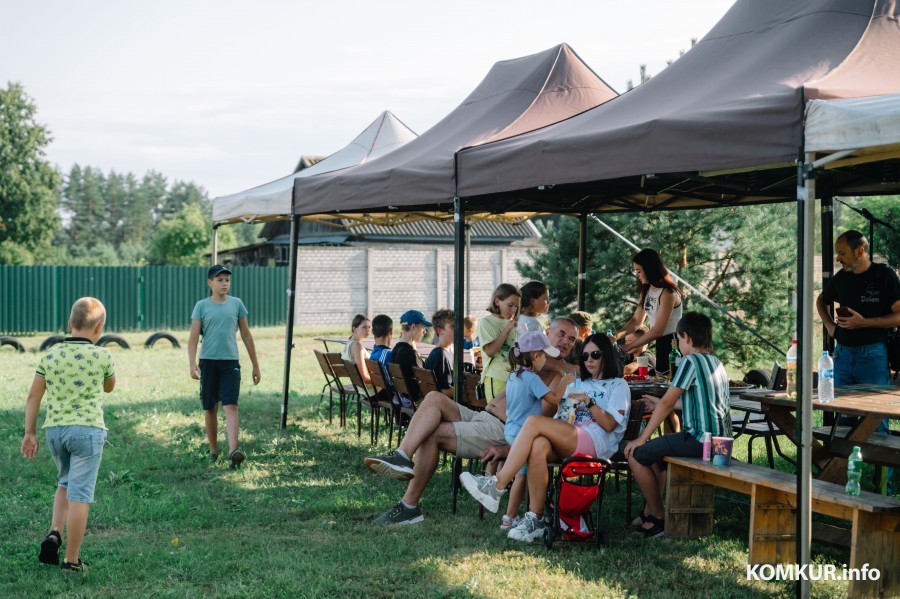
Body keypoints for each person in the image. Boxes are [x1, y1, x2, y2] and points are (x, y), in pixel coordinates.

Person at [364, 316, 578, 525]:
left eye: (571, 339)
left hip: (500, 429)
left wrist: (507, 448)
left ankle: (408, 507)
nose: (566, 341)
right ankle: (402, 456)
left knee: (433, 433)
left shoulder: (559, 375)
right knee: (434, 398)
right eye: (561, 334)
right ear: (547, 332)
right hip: (483, 417)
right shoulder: (530, 359)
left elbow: (540, 422)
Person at [459, 333, 630, 542]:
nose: (589, 360)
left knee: (533, 421)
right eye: (585, 356)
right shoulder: (579, 382)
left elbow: (611, 424)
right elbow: (562, 415)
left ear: (607, 356)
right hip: (570, 435)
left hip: (595, 442)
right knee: (538, 444)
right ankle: (536, 519)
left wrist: (590, 402)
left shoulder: (618, 385)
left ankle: (496, 486)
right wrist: (567, 410)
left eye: (595, 354)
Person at [21, 297, 116, 572]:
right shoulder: (103, 355)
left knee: (64, 482)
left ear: (69, 324)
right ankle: (72, 561)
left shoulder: (50, 355)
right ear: (99, 328)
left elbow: (33, 396)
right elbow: (110, 386)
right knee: (80, 495)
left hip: (55, 431)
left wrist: (30, 433)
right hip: (87, 431)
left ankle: (54, 532)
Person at [623, 311, 730, 538]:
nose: (679, 345)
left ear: (687, 338)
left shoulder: (690, 361)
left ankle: (660, 517)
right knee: (654, 456)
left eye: (679, 340)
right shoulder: (716, 362)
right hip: (722, 443)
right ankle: (649, 512)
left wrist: (641, 437)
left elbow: (668, 404)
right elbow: (697, 402)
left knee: (636, 453)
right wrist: (661, 403)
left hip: (700, 440)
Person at [816, 230, 900, 435]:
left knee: (875, 419)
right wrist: (829, 326)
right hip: (842, 354)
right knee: (844, 419)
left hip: (873, 354)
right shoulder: (841, 278)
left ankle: (881, 466)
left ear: (860, 251)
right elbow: (821, 300)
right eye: (837, 253)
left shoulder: (884, 275)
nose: (837, 258)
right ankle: (844, 467)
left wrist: (863, 323)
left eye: (842, 253)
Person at [188, 264, 261, 468]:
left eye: (227, 280)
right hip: (208, 363)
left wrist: (255, 365)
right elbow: (193, 338)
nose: (224, 283)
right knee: (210, 407)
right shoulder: (201, 306)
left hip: (230, 363)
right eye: (219, 280)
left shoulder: (237, 304)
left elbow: (246, 335)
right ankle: (213, 450)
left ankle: (233, 451)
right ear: (210, 282)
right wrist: (192, 363)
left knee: (231, 405)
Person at [500, 331, 573, 531]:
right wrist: (564, 381)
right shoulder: (532, 379)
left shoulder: (515, 375)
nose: (546, 361)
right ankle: (509, 517)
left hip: (511, 429)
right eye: (544, 356)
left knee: (520, 474)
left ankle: (511, 516)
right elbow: (554, 399)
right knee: (521, 476)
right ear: (535, 356)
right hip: (522, 433)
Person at [617, 249, 683, 376]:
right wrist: (615, 337)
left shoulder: (668, 293)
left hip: (674, 343)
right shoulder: (646, 290)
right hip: (661, 343)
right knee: (662, 379)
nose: (637, 275)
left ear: (650, 269)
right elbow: (636, 321)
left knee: (670, 381)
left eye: (639, 271)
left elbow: (658, 330)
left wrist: (628, 346)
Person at [478, 283, 521, 400]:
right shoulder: (485, 323)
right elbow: (490, 351)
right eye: (510, 305)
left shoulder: (514, 324)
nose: (513, 310)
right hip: (496, 378)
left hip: (514, 378)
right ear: (497, 302)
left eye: (516, 306)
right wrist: (507, 329)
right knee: (497, 416)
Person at [390, 309, 431, 405]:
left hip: (403, 399)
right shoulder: (410, 353)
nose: (424, 332)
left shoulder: (396, 350)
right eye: (423, 328)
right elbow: (426, 380)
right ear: (413, 327)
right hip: (417, 402)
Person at [424, 309, 454, 396]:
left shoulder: (448, 350)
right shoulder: (440, 354)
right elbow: (444, 391)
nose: (458, 329)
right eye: (452, 327)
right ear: (439, 330)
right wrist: (467, 392)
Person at [341, 314, 372, 384]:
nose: (368, 330)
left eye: (369, 327)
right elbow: (364, 377)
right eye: (364, 327)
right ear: (355, 329)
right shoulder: (357, 347)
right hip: (371, 390)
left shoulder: (350, 344)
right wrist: (382, 382)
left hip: (362, 388)